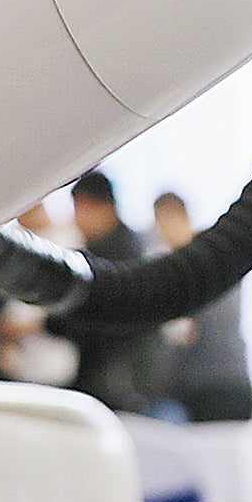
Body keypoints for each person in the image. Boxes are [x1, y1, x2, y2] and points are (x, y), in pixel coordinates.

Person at [51, 171, 172, 415]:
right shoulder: (134, 247)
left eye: (79, 210)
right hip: (133, 381)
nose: (76, 221)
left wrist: (47, 323)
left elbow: (94, 316)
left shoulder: (111, 259)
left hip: (117, 385)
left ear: (98, 207)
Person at [150, 192, 252, 423]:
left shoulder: (196, 264)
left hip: (211, 385)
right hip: (229, 380)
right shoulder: (220, 252)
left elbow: (189, 333)